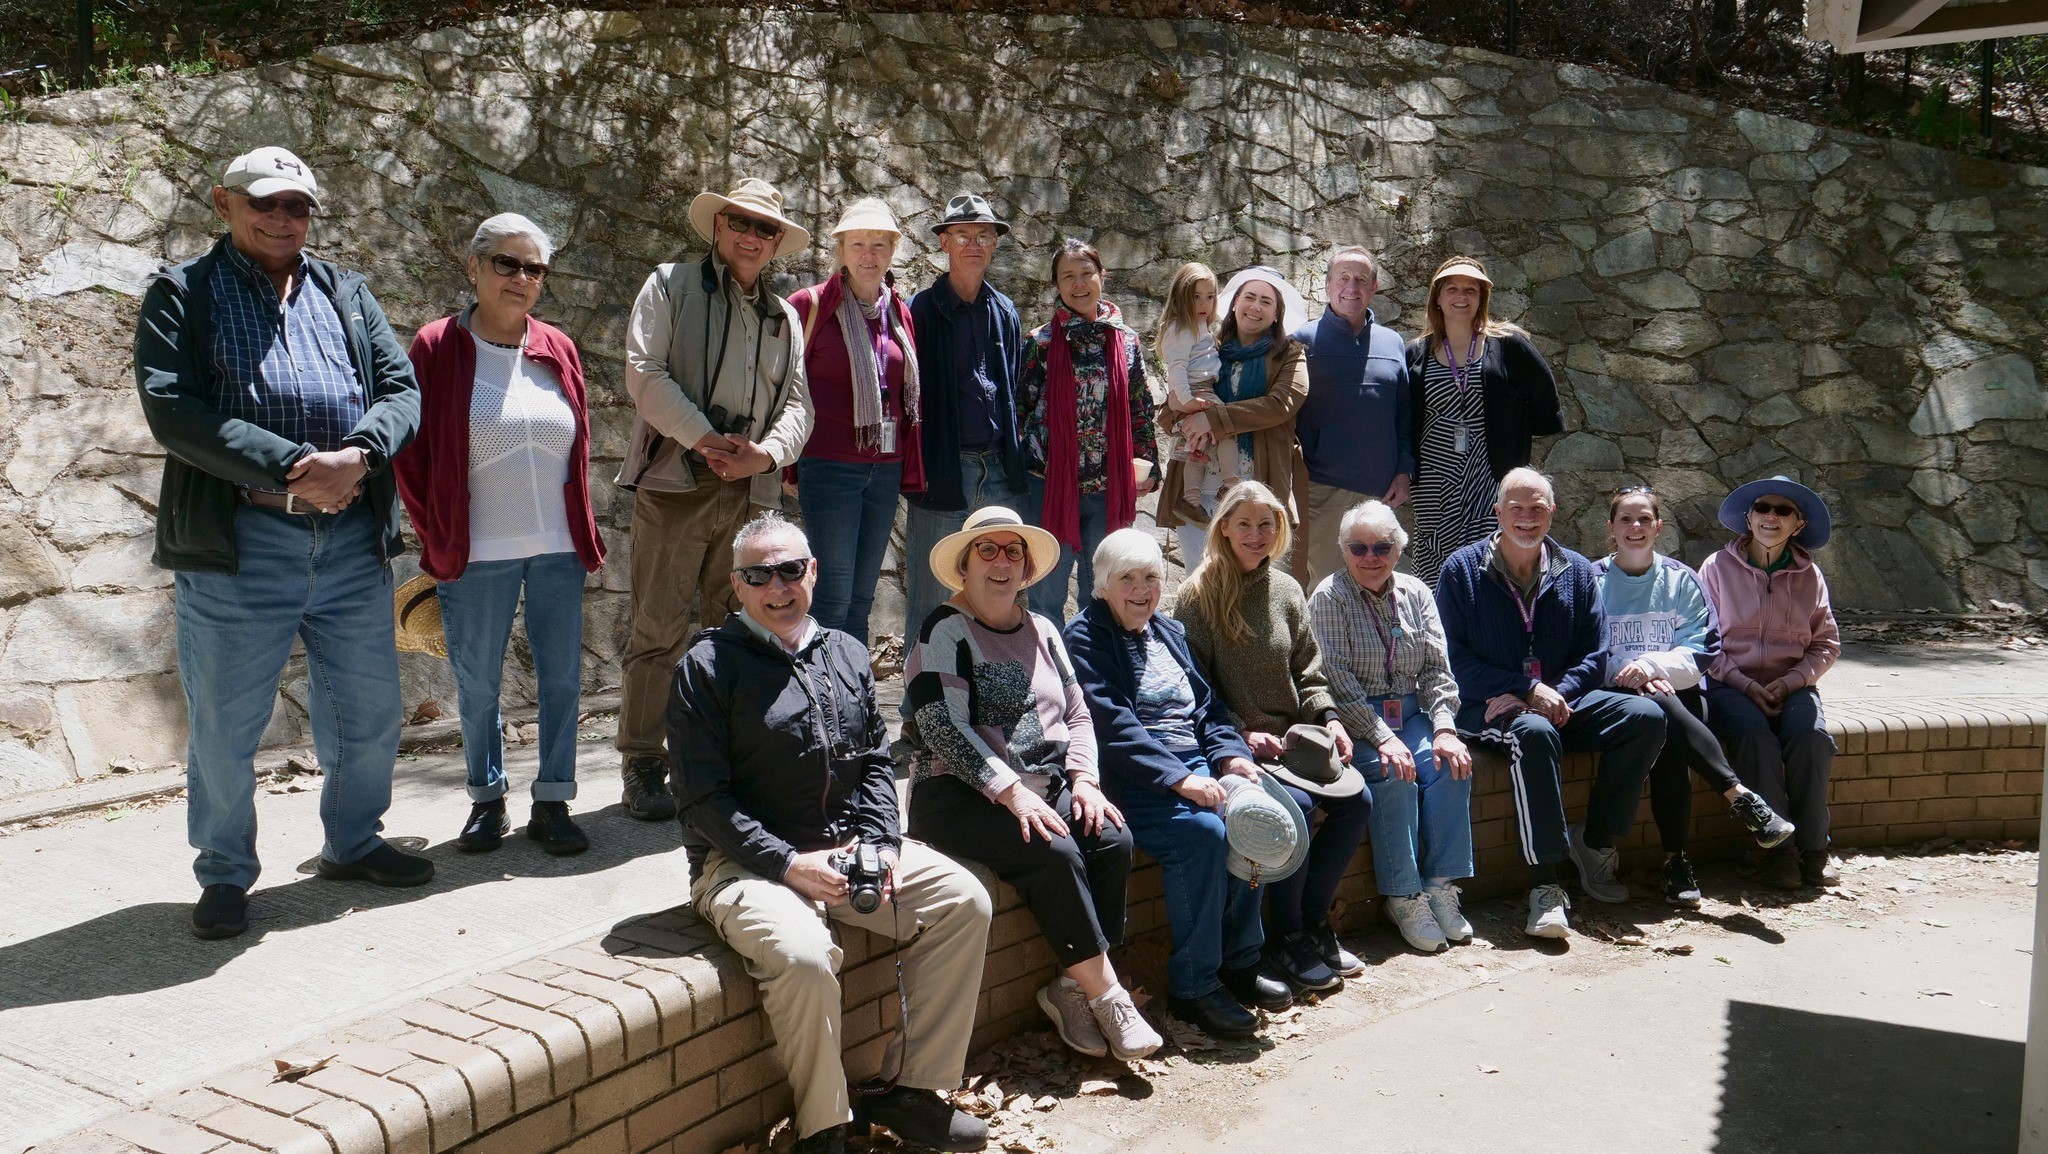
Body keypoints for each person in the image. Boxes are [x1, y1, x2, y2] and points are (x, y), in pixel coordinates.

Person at [134, 146, 429, 940]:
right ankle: (226, 874)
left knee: (368, 715)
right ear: (225, 203)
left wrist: (359, 455)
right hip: (241, 542)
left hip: (347, 543)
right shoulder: (181, 294)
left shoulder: (344, 292)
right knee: (227, 728)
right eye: (264, 203)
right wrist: (294, 465)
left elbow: (402, 389)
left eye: (297, 206)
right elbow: (173, 410)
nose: (281, 218)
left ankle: (353, 841)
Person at [673, 514, 991, 1154]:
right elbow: (703, 800)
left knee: (965, 903)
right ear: (738, 584)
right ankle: (824, 1128)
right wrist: (789, 864)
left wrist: (879, 843)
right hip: (743, 865)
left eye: (791, 569)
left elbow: (875, 761)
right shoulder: (705, 667)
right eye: (759, 575)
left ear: (812, 572)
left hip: (847, 851)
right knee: (805, 958)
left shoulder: (845, 651)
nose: (777, 586)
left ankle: (911, 1090)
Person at [903, 508, 1160, 1061]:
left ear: (1026, 567)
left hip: (1043, 782)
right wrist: (1008, 790)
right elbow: (941, 726)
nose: (1001, 562)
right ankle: (1111, 998)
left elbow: (1079, 714)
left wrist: (1086, 782)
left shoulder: (1043, 628)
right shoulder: (942, 630)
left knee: (1112, 839)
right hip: (955, 794)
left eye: (1012, 551)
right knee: (1054, 850)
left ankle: (1071, 989)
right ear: (965, 566)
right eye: (987, 551)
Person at [396, 213, 606, 855]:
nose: (520, 278)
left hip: (557, 547)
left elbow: (578, 442)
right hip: (477, 549)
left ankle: (554, 799)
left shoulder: (558, 348)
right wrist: (437, 534)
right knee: (478, 679)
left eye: (533, 268)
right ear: (475, 268)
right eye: (506, 264)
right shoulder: (437, 346)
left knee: (562, 678)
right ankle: (487, 802)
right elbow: (411, 453)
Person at [614, 178, 815, 821]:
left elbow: (799, 406)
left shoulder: (784, 317)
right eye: (741, 223)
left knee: (743, 626)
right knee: (659, 627)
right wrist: (705, 440)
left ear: (776, 242)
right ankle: (644, 761)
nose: (751, 237)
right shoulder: (668, 283)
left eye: (765, 229)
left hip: (750, 491)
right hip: (678, 479)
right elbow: (644, 374)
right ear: (718, 226)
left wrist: (765, 455)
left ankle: (730, 752)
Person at [1064, 528, 1287, 1041]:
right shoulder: (1085, 636)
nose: (1142, 590)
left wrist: (1230, 757)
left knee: (1257, 816)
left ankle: (1240, 961)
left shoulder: (1167, 631)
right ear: (1102, 585)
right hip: (1135, 781)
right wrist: (1180, 778)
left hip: (1196, 767)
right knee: (1204, 835)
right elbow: (1112, 724)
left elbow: (1207, 708)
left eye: (1151, 578)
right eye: (1128, 580)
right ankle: (1194, 986)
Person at [1434, 468, 1665, 939]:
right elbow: (1450, 656)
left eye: (1536, 508)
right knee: (1532, 733)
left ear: (1551, 513)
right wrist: (1523, 690)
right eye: (1515, 508)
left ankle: (1595, 841)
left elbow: (1596, 652)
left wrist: (1558, 693)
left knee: (1645, 716)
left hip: (1562, 698)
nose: (1526, 517)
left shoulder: (1577, 571)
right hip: (1489, 706)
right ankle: (1547, 887)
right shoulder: (1461, 570)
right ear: (1497, 512)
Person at [1171, 481, 1369, 992]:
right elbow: (1194, 686)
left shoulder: (1285, 588)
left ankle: (1313, 922)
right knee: (1298, 809)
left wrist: (1329, 718)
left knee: (1359, 801)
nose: (1256, 535)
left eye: (1267, 524)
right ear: (1224, 528)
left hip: (1296, 742)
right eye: (1245, 524)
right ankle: (1286, 937)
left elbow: (1309, 669)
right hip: (1235, 746)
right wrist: (1240, 732)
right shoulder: (1198, 595)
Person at [1594, 485, 1797, 905]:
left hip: (1677, 690)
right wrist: (1631, 676)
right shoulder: (1590, 580)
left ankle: (1677, 860)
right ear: (1611, 527)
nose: (1636, 527)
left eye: (1644, 519)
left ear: (1658, 527)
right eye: (1626, 519)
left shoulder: (1680, 579)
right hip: (1617, 696)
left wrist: (1651, 667)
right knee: (1659, 716)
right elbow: (1585, 650)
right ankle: (1735, 801)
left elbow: (1703, 648)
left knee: (1668, 723)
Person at [1307, 500, 1476, 954]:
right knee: (1395, 775)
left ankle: (1439, 884)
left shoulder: (1417, 593)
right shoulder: (1329, 596)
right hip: (1357, 720)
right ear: (1344, 551)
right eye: (1358, 548)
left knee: (1450, 764)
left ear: (1398, 549)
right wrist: (1382, 736)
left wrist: (1444, 727)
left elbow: (1439, 669)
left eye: (1381, 546)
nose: (1370, 557)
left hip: (1413, 713)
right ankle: (1402, 896)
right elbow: (1335, 680)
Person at [787, 198, 924, 643]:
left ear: (892, 252)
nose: (870, 254)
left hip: (884, 468)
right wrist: (788, 463)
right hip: (829, 466)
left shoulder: (898, 312)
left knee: (862, 598)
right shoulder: (809, 307)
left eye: (880, 245)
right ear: (841, 250)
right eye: (859, 243)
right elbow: (783, 389)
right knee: (832, 596)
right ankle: (825, 703)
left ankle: (855, 703)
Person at [1699, 475, 1842, 891]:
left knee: (1810, 738)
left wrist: (1792, 681)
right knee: (1754, 738)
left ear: (1798, 525)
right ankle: (1779, 852)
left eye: (1783, 511)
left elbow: (1826, 644)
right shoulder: (1716, 568)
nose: (1771, 517)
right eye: (1763, 508)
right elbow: (1702, 640)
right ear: (1749, 517)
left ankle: (1815, 851)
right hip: (1730, 683)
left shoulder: (1809, 576)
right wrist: (1744, 684)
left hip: (1793, 684)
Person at [903, 194, 1031, 648]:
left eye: (984, 236)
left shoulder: (1005, 312)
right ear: (943, 242)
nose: (974, 244)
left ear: (995, 244)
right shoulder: (919, 310)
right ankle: (920, 713)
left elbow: (1014, 389)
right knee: (931, 597)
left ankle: (999, 712)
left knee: (1004, 599)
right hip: (943, 469)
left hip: (998, 471)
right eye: (963, 235)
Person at [1018, 239, 1158, 621]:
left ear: (1101, 276)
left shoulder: (1125, 340)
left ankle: (1094, 670)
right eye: (1068, 277)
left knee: (1101, 590)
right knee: (1046, 589)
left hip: (1106, 487)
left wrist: (1148, 464)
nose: (1079, 284)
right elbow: (1020, 409)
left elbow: (1140, 406)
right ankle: (1051, 674)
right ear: (1057, 285)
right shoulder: (1040, 343)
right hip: (1049, 487)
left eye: (1086, 274)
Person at [1405, 257, 1564, 586]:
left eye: (1470, 289)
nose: (1461, 295)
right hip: (1434, 479)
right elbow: (1403, 416)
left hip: (1489, 477)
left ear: (1481, 297)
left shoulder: (1508, 346)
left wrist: (1510, 433)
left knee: (1491, 563)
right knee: (1436, 563)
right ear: (1437, 296)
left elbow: (1546, 401)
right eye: (1452, 288)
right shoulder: (1416, 352)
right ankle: (1440, 634)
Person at [1155, 266, 1312, 569]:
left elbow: (1280, 404)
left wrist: (1213, 419)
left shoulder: (1290, 355)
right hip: (1199, 490)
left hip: (1256, 487)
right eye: (1249, 297)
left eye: (1266, 301)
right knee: (1199, 583)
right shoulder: (1207, 348)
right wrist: (1178, 410)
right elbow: (1168, 414)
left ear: (1277, 313)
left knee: (1253, 586)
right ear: (1235, 303)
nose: (1255, 307)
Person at [1290, 247, 1414, 588]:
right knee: (1326, 588)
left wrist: (1404, 470)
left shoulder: (1393, 343)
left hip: (1379, 491)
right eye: (1343, 278)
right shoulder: (1302, 341)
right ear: (1328, 285)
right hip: (1321, 489)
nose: (1352, 287)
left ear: (1374, 287)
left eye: (1361, 279)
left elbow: (1403, 416)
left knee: (1374, 586)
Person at [1155, 262, 1234, 521]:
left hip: (1198, 388)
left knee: (1196, 446)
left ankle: (1191, 499)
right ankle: (1231, 483)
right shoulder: (1181, 328)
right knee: (1226, 429)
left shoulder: (1199, 328)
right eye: (1196, 297)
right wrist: (1188, 401)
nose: (1204, 304)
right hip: (1194, 389)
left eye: (1210, 297)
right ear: (1181, 298)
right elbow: (1176, 368)